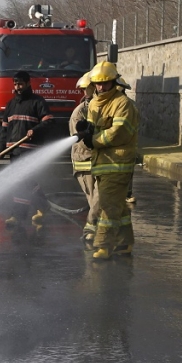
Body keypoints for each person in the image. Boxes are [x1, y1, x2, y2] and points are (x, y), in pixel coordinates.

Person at [75, 61, 139, 260]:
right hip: (101, 163)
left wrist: (93, 140)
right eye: (98, 84)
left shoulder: (123, 104)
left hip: (118, 164)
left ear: (114, 82)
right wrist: (86, 131)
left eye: (106, 83)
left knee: (107, 206)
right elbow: (96, 131)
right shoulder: (94, 103)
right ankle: (124, 243)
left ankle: (104, 245)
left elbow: (117, 133)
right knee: (118, 206)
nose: (101, 87)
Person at [0, 70, 53, 226]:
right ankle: (42, 205)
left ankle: (18, 215)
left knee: (22, 181)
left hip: (30, 149)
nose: (18, 87)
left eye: (21, 83)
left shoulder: (38, 102)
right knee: (24, 182)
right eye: (15, 84)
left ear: (29, 83)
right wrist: (0, 148)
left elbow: (49, 121)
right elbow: (4, 128)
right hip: (13, 150)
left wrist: (34, 130)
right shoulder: (11, 104)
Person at [69, 72, 98, 247]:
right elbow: (79, 140)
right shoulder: (80, 112)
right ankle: (91, 230)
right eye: (89, 88)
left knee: (100, 198)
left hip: (97, 160)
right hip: (84, 161)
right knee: (94, 198)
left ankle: (98, 230)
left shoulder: (97, 107)